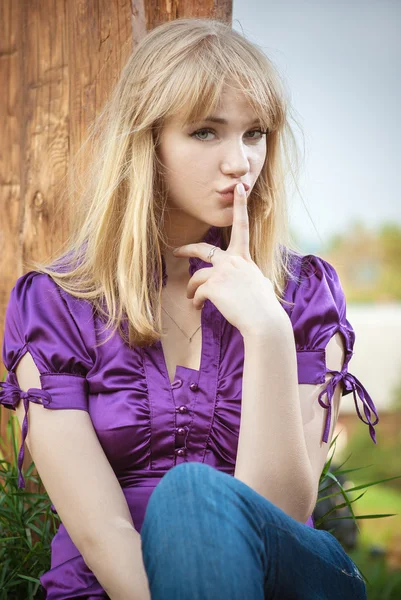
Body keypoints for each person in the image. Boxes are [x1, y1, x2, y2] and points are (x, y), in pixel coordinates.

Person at [0, 17, 378, 600]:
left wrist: (269, 331)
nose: (240, 162)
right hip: (114, 589)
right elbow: (102, 533)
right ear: (145, 142)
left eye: (254, 134)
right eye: (206, 132)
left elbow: (278, 514)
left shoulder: (303, 295)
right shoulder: (54, 306)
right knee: (188, 496)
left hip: (290, 580)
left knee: (192, 494)